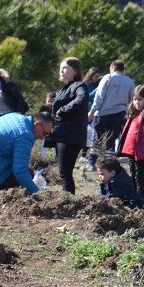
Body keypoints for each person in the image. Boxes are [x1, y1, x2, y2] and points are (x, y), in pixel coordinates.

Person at [45, 57, 89, 195]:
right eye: (60, 68)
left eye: (65, 68)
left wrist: (62, 110)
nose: (61, 71)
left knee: (65, 173)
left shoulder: (79, 86)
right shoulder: (63, 89)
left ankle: (68, 202)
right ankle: (68, 201)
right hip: (62, 135)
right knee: (63, 173)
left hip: (70, 136)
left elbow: (81, 99)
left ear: (75, 71)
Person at [87, 60, 135, 169]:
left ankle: (91, 163)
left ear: (112, 68)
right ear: (123, 69)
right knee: (111, 140)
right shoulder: (130, 82)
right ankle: (109, 166)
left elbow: (99, 97)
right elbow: (132, 101)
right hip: (119, 114)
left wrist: (92, 111)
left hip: (103, 114)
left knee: (97, 139)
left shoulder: (107, 78)